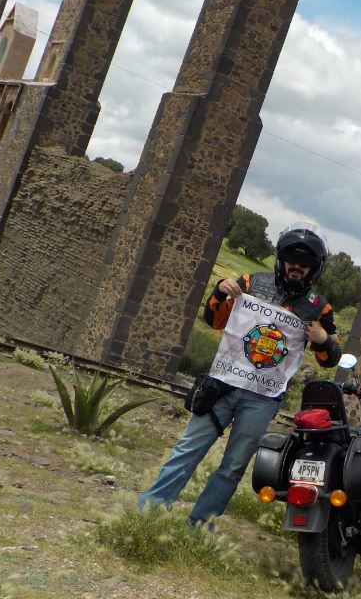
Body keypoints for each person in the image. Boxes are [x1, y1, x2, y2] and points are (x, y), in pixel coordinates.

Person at [139, 222, 341, 526]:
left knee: (232, 467)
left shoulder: (320, 308)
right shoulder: (249, 282)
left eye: (306, 262)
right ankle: (148, 515)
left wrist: (323, 341)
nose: (297, 266)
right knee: (187, 450)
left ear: (315, 268)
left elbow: (329, 359)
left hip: (263, 398)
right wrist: (220, 292)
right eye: (292, 259)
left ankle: (198, 526)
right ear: (281, 259)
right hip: (222, 385)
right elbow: (214, 320)